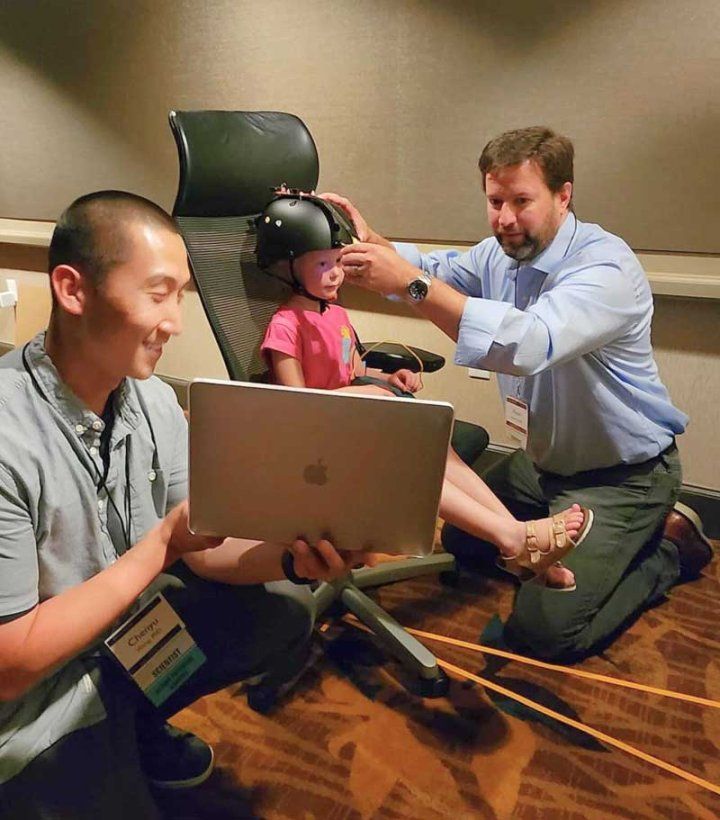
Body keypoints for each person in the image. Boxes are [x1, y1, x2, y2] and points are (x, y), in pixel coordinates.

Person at [0, 191, 365, 820]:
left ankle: (129, 718)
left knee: (282, 611)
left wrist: (295, 560)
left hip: (118, 639)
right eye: (158, 293)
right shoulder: (9, 436)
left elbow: (207, 545)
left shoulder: (150, 400)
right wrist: (160, 545)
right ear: (72, 289)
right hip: (32, 697)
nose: (175, 321)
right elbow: (10, 666)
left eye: (182, 294)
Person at [325, 125, 713, 662]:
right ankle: (562, 544)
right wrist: (376, 244)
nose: (505, 218)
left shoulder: (606, 268)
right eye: (495, 201)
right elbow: (433, 271)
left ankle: (668, 547)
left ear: (563, 195)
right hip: (542, 464)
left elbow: (527, 343)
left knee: (544, 632)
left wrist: (412, 286)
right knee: (464, 543)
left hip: (620, 476)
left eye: (522, 201)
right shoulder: (499, 254)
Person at [256, 191, 594, 591]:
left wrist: (386, 380)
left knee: (435, 443)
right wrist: (370, 397)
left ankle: (518, 537)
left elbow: (352, 370)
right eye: (323, 265)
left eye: (338, 263)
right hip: (320, 440)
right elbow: (295, 405)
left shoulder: (336, 314)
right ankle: (516, 540)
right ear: (287, 268)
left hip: (354, 421)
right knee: (411, 457)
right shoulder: (286, 324)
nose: (336, 274)